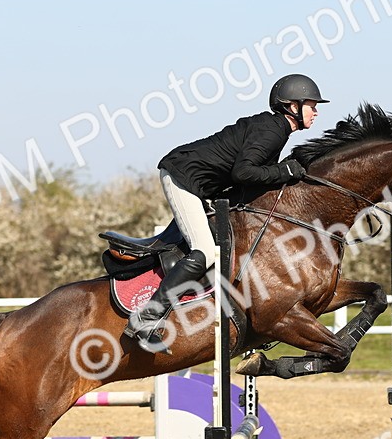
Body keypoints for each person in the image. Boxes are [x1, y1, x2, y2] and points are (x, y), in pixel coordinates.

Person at [124, 73, 328, 348]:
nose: (315, 112)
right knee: (205, 251)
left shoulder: (275, 129)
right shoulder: (272, 130)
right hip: (183, 178)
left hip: (202, 186)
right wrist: (285, 171)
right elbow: (244, 172)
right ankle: (146, 317)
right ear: (293, 106)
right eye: (311, 106)